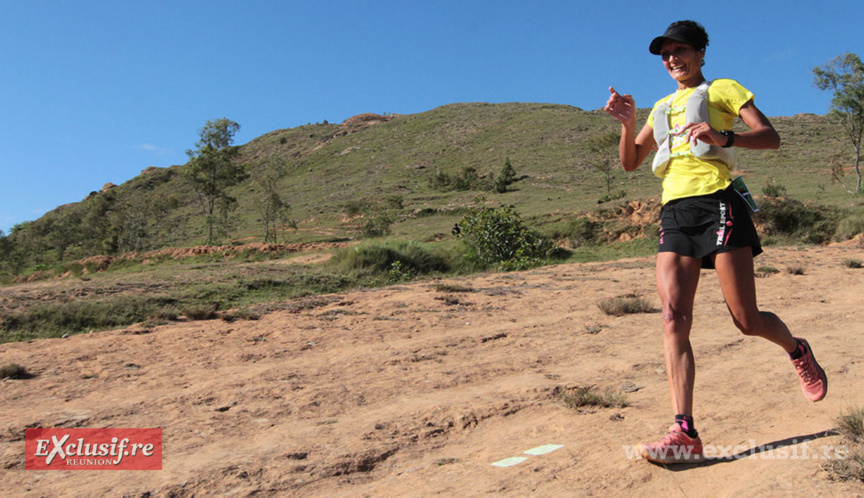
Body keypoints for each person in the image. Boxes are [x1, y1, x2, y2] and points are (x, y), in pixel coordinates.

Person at [603, 20, 827, 464]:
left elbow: (771, 137)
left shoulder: (723, 89)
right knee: (672, 317)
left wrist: (723, 136)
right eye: (665, 54)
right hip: (676, 212)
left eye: (680, 50)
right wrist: (628, 124)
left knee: (746, 320)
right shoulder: (662, 108)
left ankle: (797, 349)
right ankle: (684, 430)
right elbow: (631, 163)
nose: (672, 59)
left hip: (720, 204)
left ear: (701, 52)